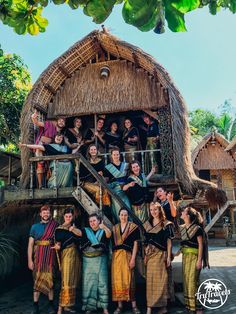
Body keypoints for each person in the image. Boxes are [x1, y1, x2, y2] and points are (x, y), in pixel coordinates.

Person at [174, 207, 208, 314]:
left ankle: (198, 307)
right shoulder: (182, 227)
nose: (181, 212)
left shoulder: (197, 228)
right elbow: (184, 243)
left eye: (183, 211)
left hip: (194, 257)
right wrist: (176, 254)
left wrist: (199, 260)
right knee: (187, 281)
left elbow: (200, 245)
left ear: (187, 216)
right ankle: (190, 306)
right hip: (185, 257)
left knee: (193, 281)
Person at [143, 202, 174, 314]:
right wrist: (145, 256)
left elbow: (169, 242)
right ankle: (149, 306)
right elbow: (146, 242)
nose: (153, 212)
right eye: (151, 210)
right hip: (150, 256)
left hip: (161, 255)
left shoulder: (166, 224)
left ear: (160, 210)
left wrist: (169, 257)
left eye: (155, 210)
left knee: (162, 281)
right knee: (150, 282)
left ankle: (163, 306)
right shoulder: (147, 224)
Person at [27, 205, 58, 314]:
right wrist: (29, 260)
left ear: (50, 213)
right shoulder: (34, 227)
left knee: (51, 281)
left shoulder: (55, 225)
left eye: (47, 212)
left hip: (50, 257)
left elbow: (60, 240)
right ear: (40, 214)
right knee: (37, 280)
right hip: (38, 258)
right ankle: (35, 305)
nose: (46, 214)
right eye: (44, 212)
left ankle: (50, 304)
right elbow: (30, 245)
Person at [111, 208, 141, 314]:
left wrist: (133, 259)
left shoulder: (133, 227)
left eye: (125, 215)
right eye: (122, 215)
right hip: (116, 258)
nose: (123, 217)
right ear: (118, 216)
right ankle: (119, 306)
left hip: (128, 256)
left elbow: (136, 244)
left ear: (128, 216)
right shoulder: (114, 228)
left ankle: (134, 306)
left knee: (130, 279)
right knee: (117, 280)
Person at [80, 214, 111, 314]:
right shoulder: (86, 231)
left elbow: (109, 235)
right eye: (90, 221)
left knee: (103, 283)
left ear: (99, 221)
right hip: (88, 261)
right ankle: (89, 306)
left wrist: (104, 227)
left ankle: (104, 307)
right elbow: (81, 240)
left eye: (94, 221)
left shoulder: (103, 230)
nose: (92, 223)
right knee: (88, 283)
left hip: (101, 259)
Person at [53, 208, 82, 314]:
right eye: (67, 216)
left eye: (70, 216)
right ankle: (60, 308)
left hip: (76, 256)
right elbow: (59, 244)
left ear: (72, 217)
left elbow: (80, 235)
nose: (68, 218)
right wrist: (57, 246)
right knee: (66, 281)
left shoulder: (75, 227)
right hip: (67, 255)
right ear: (64, 217)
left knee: (74, 280)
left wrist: (73, 229)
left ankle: (68, 306)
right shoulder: (59, 229)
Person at [31, 110, 66, 188]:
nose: (61, 122)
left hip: (51, 150)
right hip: (42, 147)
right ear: (57, 121)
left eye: (63, 121)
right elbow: (37, 123)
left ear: (64, 124)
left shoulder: (61, 135)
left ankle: (50, 184)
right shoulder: (49, 125)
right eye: (60, 120)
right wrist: (34, 118)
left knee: (50, 167)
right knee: (40, 163)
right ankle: (40, 185)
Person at [104, 147, 130, 222]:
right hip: (115, 190)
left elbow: (128, 177)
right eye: (114, 155)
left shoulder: (125, 166)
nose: (116, 156)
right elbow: (106, 180)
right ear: (111, 156)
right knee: (117, 208)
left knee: (127, 206)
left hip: (125, 189)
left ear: (120, 155)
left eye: (117, 154)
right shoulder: (108, 167)